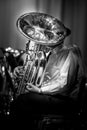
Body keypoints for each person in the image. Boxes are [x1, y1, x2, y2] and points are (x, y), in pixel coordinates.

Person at [10, 12, 85, 125]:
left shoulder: (71, 51)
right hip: (49, 97)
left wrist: (40, 90)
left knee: (22, 101)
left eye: (50, 34)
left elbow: (64, 84)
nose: (45, 37)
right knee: (20, 100)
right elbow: (39, 76)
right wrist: (21, 71)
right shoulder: (46, 54)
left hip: (65, 101)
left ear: (63, 35)